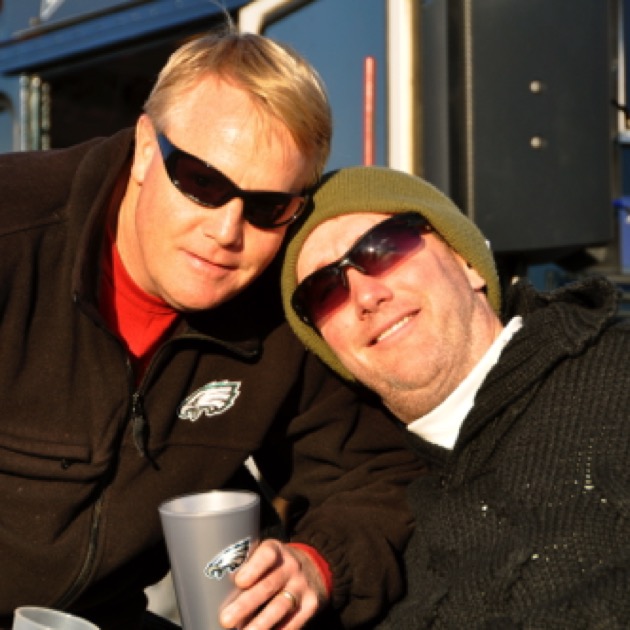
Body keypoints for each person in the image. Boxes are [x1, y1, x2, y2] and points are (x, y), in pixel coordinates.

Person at [0, 33, 423, 630]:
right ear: (145, 148)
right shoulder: (13, 234)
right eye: (202, 182)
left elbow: (371, 479)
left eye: (268, 207)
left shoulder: (284, 303)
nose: (227, 232)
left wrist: (316, 566)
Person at [281, 165, 630, 628]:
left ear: (467, 261)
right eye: (324, 291)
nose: (365, 295)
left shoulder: (616, 379)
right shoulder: (384, 530)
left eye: (384, 249)